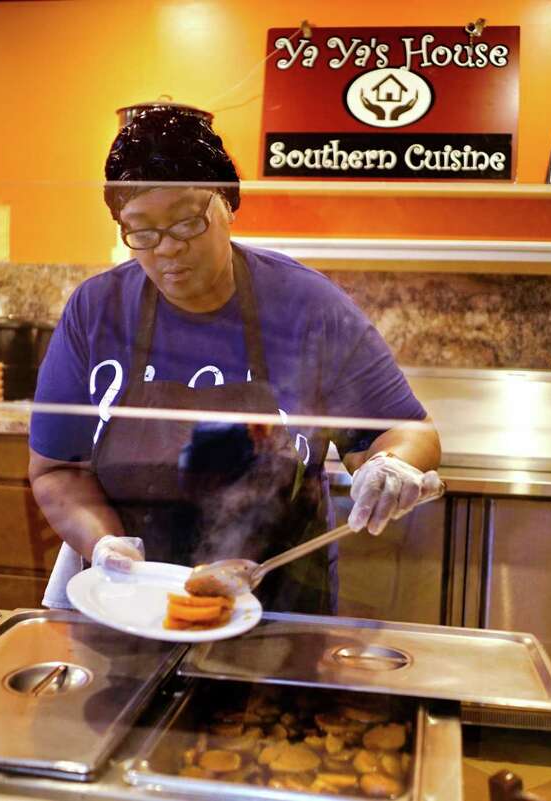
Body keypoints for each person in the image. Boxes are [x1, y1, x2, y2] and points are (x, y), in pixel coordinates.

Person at [28, 106, 441, 614]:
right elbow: (56, 470)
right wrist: (106, 547)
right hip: (131, 609)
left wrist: (390, 465)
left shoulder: (306, 307)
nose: (168, 250)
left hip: (281, 614)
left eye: (186, 222)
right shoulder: (97, 311)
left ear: (228, 201)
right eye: (142, 232)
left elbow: (408, 431)